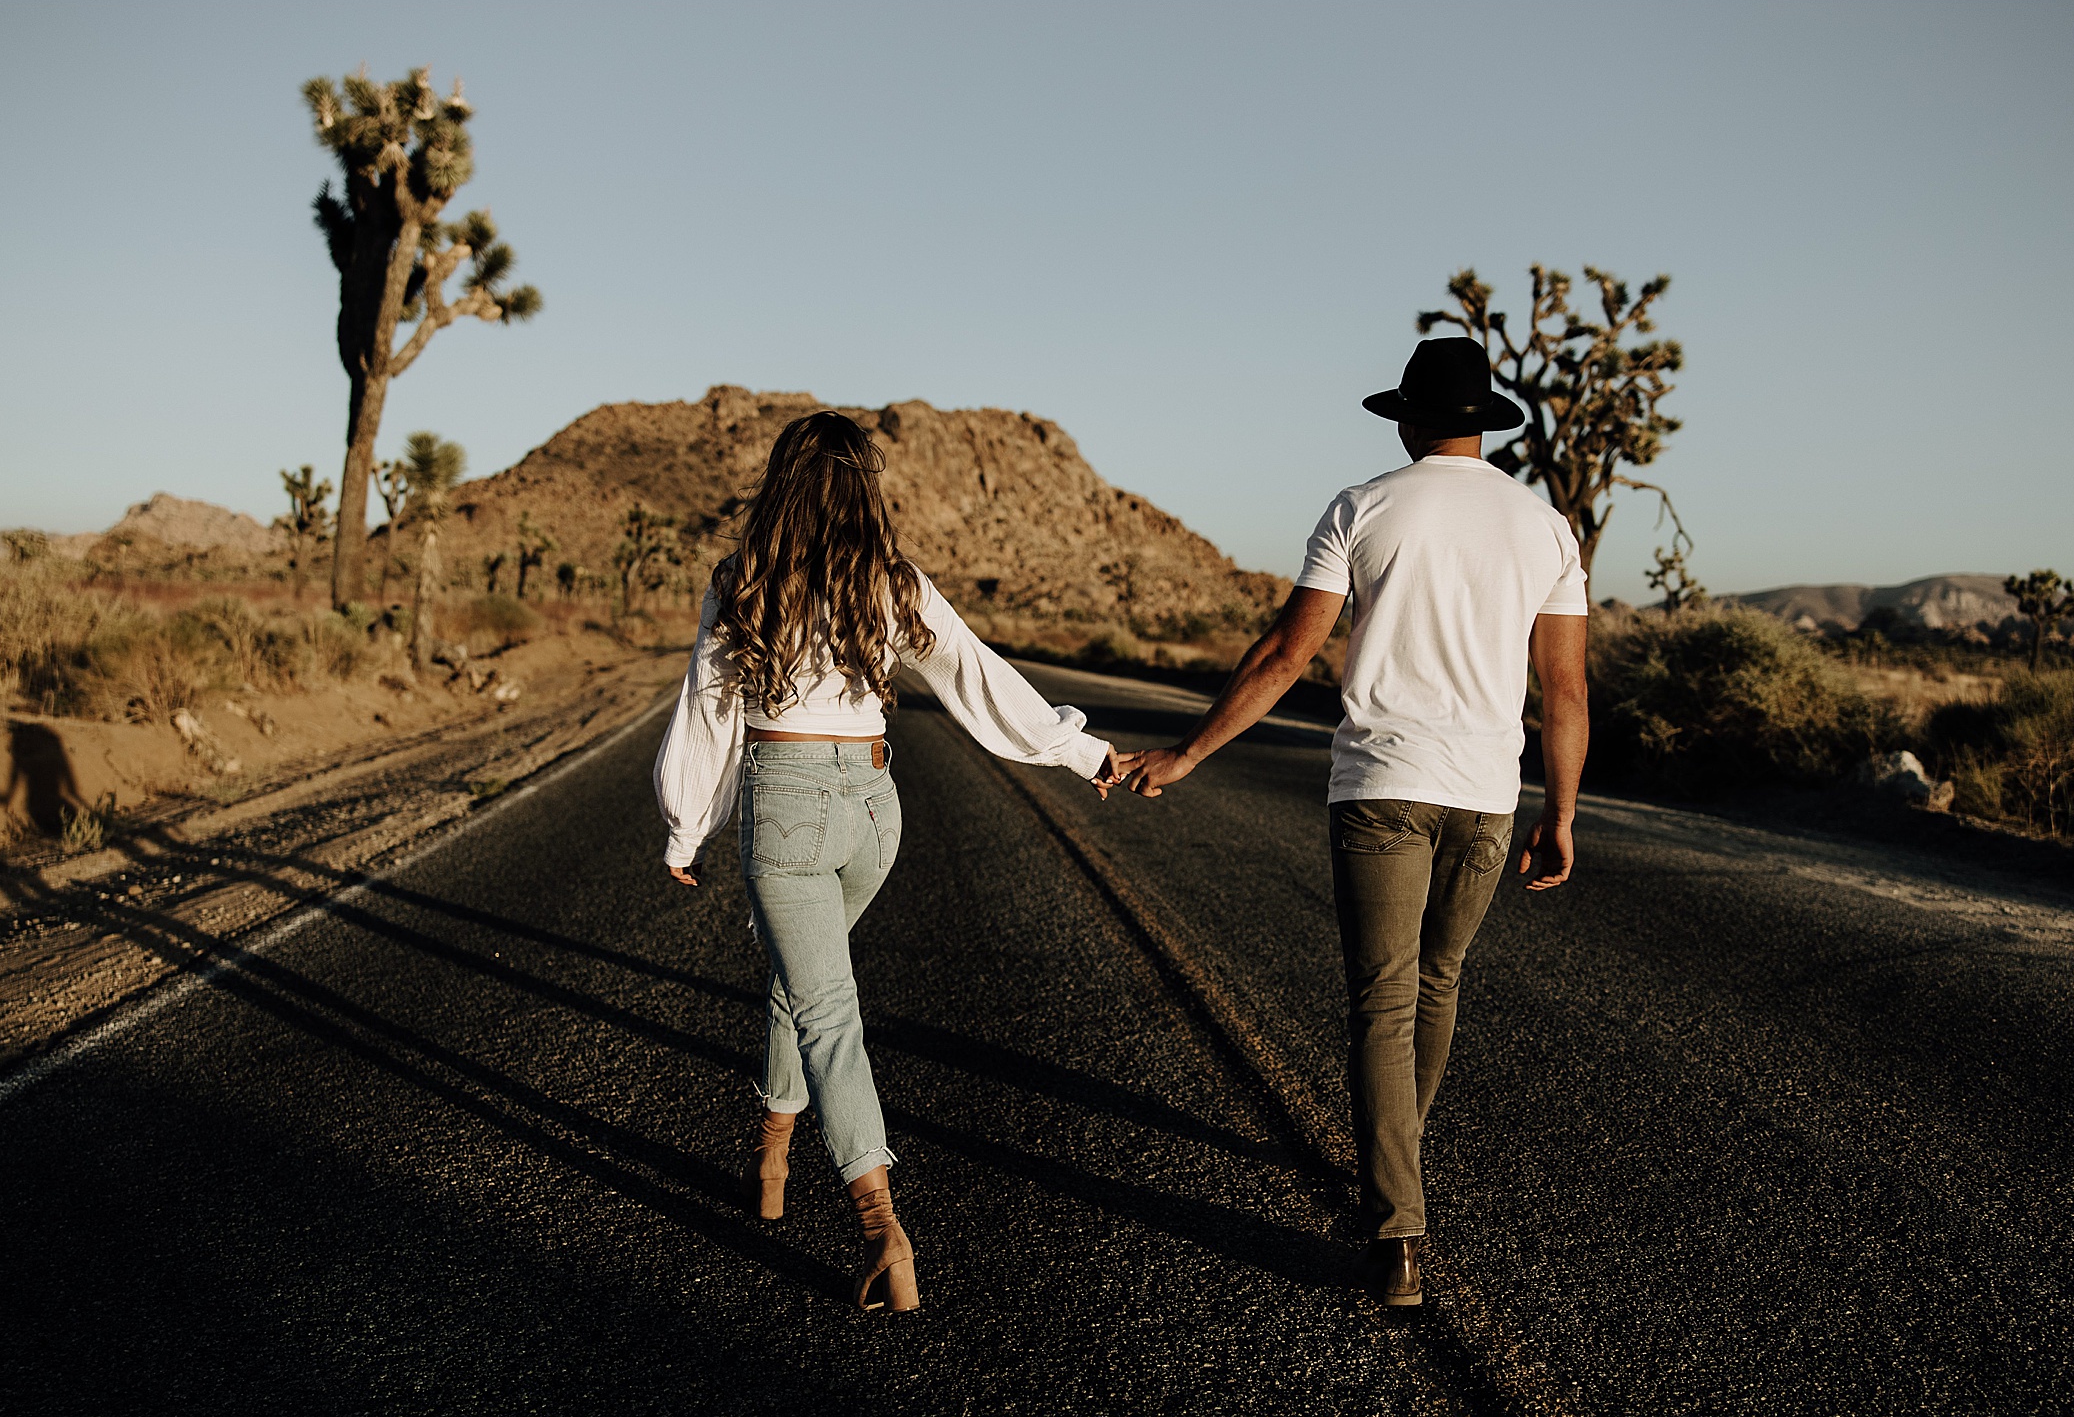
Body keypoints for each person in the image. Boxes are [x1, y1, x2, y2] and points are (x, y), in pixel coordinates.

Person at [1125, 336, 1591, 1309]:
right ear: (1485, 423)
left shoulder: (1364, 506)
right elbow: (1564, 688)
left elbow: (1287, 653)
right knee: (1437, 981)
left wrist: (1191, 753)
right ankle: (1395, 1171)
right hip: (1485, 794)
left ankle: (1396, 1229)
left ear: (1410, 420)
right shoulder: (1546, 527)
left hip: (1382, 781)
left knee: (1381, 998)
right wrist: (1562, 814)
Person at [656, 411, 1131, 1312]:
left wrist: (687, 827)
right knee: (809, 982)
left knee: (827, 1009)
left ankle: (881, 1228)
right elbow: (976, 674)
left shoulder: (744, 578)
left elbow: (709, 710)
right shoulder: (893, 582)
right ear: (863, 490)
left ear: (781, 484)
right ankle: (772, 1146)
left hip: (789, 807)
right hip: (875, 811)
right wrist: (1084, 752)